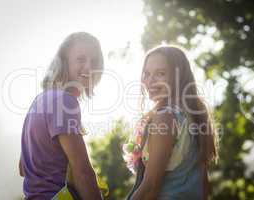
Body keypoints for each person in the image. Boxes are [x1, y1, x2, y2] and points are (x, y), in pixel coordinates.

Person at [124, 45, 219, 200]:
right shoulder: (192, 117)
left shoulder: (164, 117)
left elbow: (151, 187)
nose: (150, 81)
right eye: (146, 74)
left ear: (178, 77)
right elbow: (204, 186)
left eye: (160, 74)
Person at [19, 32, 103, 200]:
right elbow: (83, 172)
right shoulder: (65, 102)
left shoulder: (40, 100)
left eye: (94, 61)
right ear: (64, 63)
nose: (89, 67)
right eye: (81, 59)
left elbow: (23, 168)